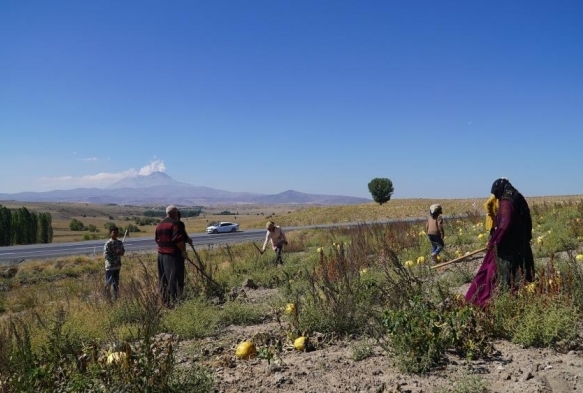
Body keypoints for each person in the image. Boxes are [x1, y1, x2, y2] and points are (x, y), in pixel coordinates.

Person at [466, 178, 534, 307]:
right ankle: (517, 298)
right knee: (517, 273)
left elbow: (504, 224)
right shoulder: (517, 196)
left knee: (495, 272)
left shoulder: (506, 202)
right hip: (520, 243)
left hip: (508, 245)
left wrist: (493, 241)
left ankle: (493, 300)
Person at [155, 205, 187, 307]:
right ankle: (177, 302)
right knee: (175, 278)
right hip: (173, 256)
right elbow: (178, 240)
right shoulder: (175, 224)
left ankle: (166, 302)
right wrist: (183, 251)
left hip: (161, 256)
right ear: (175, 213)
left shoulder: (159, 224)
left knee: (163, 279)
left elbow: (156, 239)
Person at [104, 225, 125, 300]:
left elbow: (123, 252)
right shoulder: (108, 243)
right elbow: (106, 255)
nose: (115, 233)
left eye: (117, 232)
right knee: (108, 282)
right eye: (114, 232)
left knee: (116, 283)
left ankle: (115, 297)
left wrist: (120, 252)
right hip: (110, 267)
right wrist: (114, 261)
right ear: (110, 233)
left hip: (117, 266)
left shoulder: (119, 243)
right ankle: (107, 297)